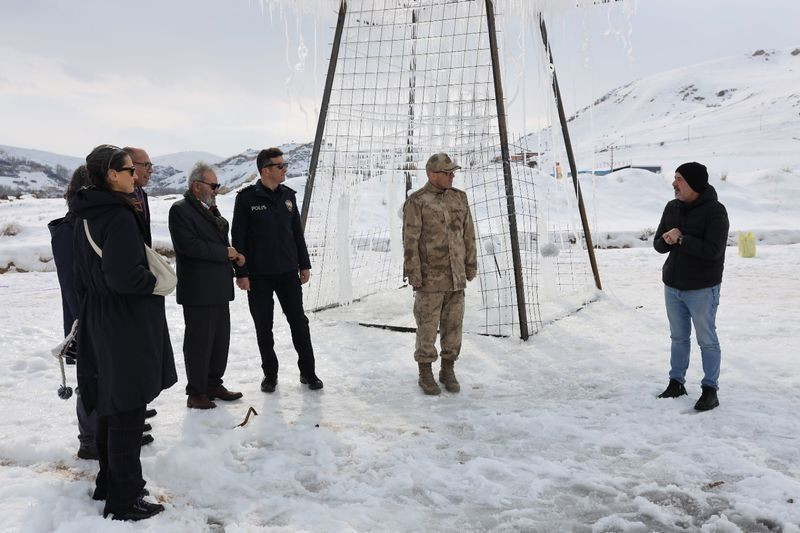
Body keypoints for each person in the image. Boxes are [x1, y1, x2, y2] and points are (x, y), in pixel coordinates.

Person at [71, 144, 177, 520]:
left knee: (111, 408)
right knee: (129, 410)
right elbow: (121, 275)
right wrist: (150, 281)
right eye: (130, 171)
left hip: (100, 317)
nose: (136, 176)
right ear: (111, 175)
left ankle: (107, 483)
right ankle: (125, 498)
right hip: (124, 321)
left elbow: (84, 275)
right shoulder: (116, 216)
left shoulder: (85, 212)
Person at [231, 147, 322, 393]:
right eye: (280, 166)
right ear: (265, 170)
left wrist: (304, 264)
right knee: (264, 326)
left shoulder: (288, 196)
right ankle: (270, 375)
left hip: (287, 273)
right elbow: (238, 238)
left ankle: (308, 372)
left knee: (299, 323)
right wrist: (241, 273)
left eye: (285, 165)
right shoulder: (247, 198)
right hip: (259, 276)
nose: (285, 169)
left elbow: (296, 235)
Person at [168, 162, 245, 409]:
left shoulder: (211, 211)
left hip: (219, 287)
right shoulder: (180, 210)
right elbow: (189, 246)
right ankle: (197, 392)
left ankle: (213, 384)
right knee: (199, 343)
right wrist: (226, 253)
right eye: (213, 185)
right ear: (196, 186)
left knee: (219, 341)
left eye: (217, 186)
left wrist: (235, 259)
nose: (216, 190)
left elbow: (222, 242)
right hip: (198, 290)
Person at [654, 162, 729, 412]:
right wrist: (667, 239)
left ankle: (710, 390)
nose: (674, 183)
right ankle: (676, 383)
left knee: (706, 339)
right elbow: (658, 244)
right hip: (673, 285)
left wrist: (682, 239)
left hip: (702, 288)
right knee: (678, 337)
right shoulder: (671, 207)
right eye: (674, 178)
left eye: (679, 179)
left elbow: (713, 251)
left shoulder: (716, 211)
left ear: (694, 183)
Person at [403, 153, 477, 395]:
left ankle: (448, 368)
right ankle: (425, 372)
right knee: (427, 326)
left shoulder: (460, 198)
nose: (452, 176)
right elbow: (410, 241)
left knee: (453, 326)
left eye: (452, 173)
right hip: (430, 279)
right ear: (432, 174)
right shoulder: (417, 201)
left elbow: (468, 235)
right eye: (447, 173)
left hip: (456, 278)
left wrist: (470, 264)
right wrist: (413, 273)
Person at [48, 166, 97, 460]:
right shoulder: (68, 231)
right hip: (86, 321)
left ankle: (99, 434)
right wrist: (86, 323)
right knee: (90, 381)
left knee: (101, 379)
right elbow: (72, 286)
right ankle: (89, 441)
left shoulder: (88, 224)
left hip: (98, 319)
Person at [121, 146, 158, 440]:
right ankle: (127, 419)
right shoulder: (117, 202)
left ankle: (137, 407)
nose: (149, 171)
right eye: (146, 165)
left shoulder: (141, 195)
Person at [122, 146, 153, 245]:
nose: (151, 170)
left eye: (151, 165)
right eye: (146, 165)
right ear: (130, 165)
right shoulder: (118, 198)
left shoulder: (141, 194)